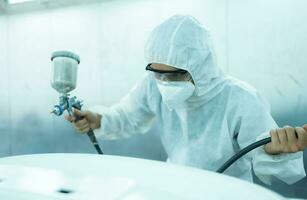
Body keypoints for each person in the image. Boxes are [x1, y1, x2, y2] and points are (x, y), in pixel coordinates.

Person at [65, 15, 306, 184]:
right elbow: (129, 115)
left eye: (176, 74)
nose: (165, 83)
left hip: (226, 190)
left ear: (200, 67)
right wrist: (99, 119)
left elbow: (262, 151)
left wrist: (276, 149)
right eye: (158, 73)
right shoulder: (153, 85)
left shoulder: (240, 99)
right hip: (176, 184)